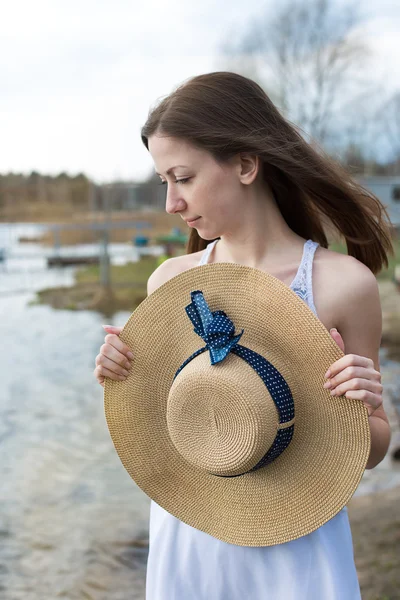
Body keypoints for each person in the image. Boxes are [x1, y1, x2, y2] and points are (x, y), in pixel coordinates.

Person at [94, 71, 393, 599]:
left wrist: (362, 401)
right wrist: (120, 374)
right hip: (189, 532)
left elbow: (372, 450)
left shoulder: (344, 285)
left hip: (300, 541)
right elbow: (164, 426)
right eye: (164, 182)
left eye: (182, 178)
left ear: (246, 165)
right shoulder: (171, 283)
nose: (171, 204)